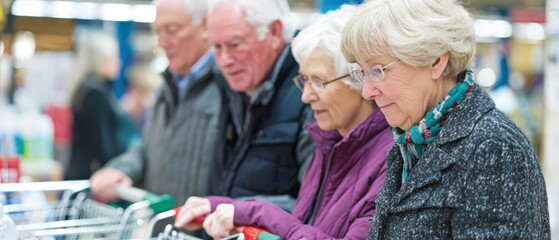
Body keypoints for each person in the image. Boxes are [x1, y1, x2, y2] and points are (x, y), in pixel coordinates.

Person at [174, 6, 393, 239]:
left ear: (360, 80)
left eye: (318, 81)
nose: (305, 96)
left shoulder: (390, 158)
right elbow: (304, 223)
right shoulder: (327, 143)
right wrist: (224, 206)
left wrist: (256, 213)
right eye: (305, 80)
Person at [340, 0, 550, 239]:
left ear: (436, 61)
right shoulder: (412, 143)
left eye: (377, 70)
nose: (367, 92)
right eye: (362, 73)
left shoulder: (494, 149)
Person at [173, 0, 315, 231]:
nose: (225, 60)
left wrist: (235, 210)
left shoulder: (310, 93)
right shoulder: (232, 85)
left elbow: (314, 206)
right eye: (216, 47)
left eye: (236, 44)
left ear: (274, 32)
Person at [90, 0, 223, 206]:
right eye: (157, 32)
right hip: (166, 227)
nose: (162, 42)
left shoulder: (228, 86)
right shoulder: (167, 86)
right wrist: (121, 168)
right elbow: (149, 149)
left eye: (172, 30)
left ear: (205, 26)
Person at [64, 32, 134, 180]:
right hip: (92, 178)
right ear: (100, 60)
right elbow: (101, 144)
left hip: (85, 174)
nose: (119, 62)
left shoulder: (88, 88)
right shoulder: (94, 92)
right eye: (113, 57)